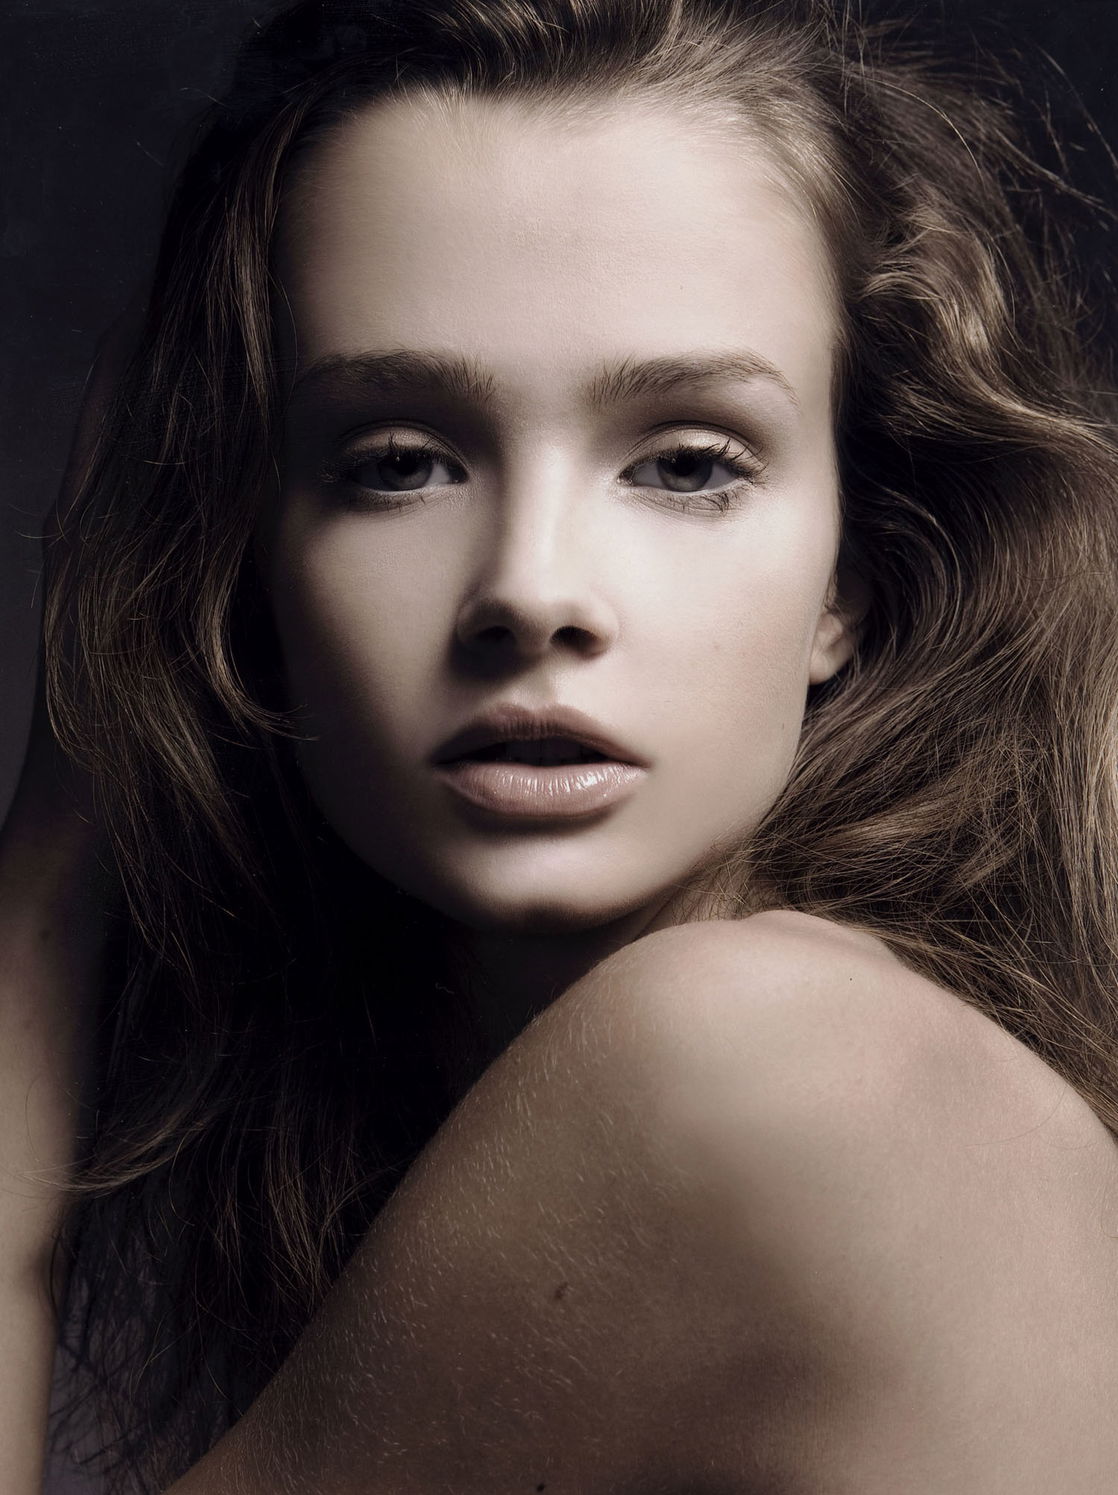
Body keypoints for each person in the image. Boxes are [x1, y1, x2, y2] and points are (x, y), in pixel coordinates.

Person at [4, 0, 1118, 1488]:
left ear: (847, 581)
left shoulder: (767, 1060)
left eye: (686, 465)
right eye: (398, 463)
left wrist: (55, 840)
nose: (530, 589)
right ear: (243, 560)